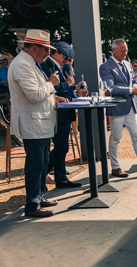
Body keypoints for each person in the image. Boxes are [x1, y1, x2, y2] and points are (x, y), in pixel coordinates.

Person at [8, 29, 66, 217]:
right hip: (33, 124)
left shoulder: (27, 63)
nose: (48, 54)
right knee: (36, 164)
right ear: (34, 48)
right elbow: (34, 95)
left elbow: (35, 93)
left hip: (38, 123)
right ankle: (32, 205)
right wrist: (51, 84)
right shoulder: (23, 65)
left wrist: (53, 96)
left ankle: (39, 198)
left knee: (42, 162)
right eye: (46, 50)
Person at [100, 39, 137, 177]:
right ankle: (115, 168)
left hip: (130, 106)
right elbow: (111, 87)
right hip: (117, 107)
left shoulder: (127, 64)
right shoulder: (105, 67)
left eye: (126, 50)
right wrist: (131, 90)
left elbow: (132, 80)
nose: (125, 53)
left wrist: (136, 86)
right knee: (116, 138)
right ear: (114, 50)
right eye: (122, 51)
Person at [40, 42, 88, 188]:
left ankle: (60, 178)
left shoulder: (62, 68)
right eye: (66, 58)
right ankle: (40, 175)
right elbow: (51, 88)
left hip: (65, 111)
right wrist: (67, 84)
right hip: (56, 111)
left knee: (62, 147)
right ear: (57, 53)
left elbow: (66, 89)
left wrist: (76, 91)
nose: (68, 62)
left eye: (70, 60)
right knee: (61, 148)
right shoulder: (46, 65)